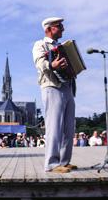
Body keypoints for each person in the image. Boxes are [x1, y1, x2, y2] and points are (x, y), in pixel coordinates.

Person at [32, 17, 76, 173]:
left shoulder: (63, 47)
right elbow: (39, 63)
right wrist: (52, 64)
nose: (63, 29)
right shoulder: (40, 44)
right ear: (48, 29)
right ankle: (51, 163)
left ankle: (64, 161)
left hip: (67, 87)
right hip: (52, 86)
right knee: (54, 126)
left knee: (69, 128)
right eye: (59, 26)